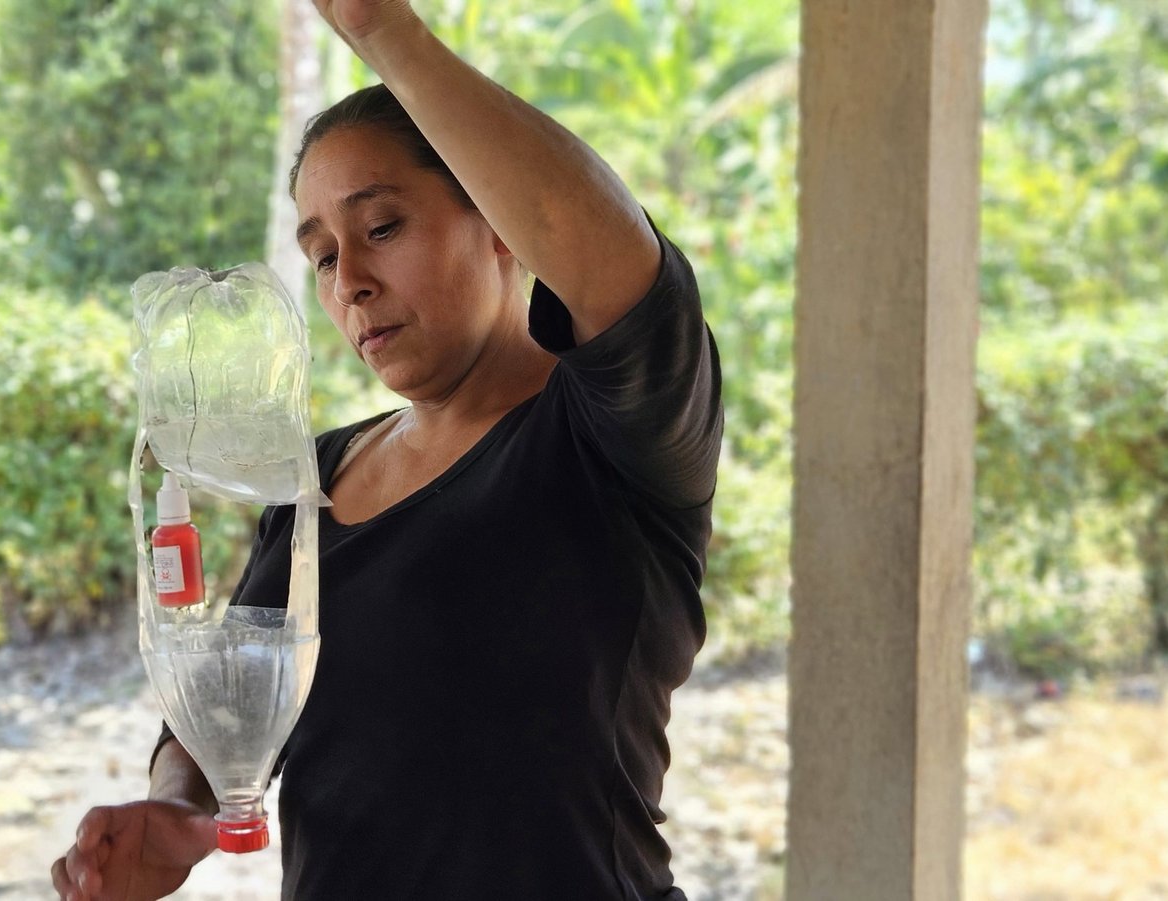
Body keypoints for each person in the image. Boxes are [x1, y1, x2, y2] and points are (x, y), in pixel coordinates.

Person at [52, 1, 722, 898]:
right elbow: (231, 706)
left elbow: (614, 262)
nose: (352, 284)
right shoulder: (314, 480)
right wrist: (178, 804)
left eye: (382, 228)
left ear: (498, 221)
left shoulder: (611, 432)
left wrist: (382, 31)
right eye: (324, 257)